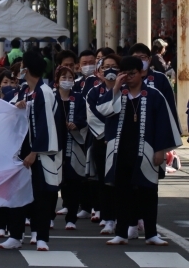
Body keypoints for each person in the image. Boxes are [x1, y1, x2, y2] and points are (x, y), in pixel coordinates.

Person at [98, 57, 182, 246]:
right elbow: (102, 110)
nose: (128, 77)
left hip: (147, 152)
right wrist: (115, 88)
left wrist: (161, 150)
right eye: (124, 74)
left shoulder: (153, 95)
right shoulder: (119, 93)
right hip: (121, 152)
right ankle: (121, 233)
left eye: (132, 73)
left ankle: (151, 233)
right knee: (121, 193)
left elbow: (162, 125)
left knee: (148, 192)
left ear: (142, 73)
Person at [0, 50, 60, 252]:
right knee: (17, 193)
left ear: (29, 68)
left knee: (41, 196)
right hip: (22, 152)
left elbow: (46, 125)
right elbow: (12, 110)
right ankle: (15, 235)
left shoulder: (45, 92)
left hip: (39, 154)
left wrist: (35, 152)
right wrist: (18, 105)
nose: (20, 69)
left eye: (23, 65)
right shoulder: (25, 90)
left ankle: (41, 236)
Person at [85, 54, 121, 233]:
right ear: (99, 71)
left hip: (122, 142)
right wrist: (107, 133)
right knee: (104, 181)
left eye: (114, 66)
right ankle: (107, 218)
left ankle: (127, 218)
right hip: (102, 141)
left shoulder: (127, 90)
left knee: (123, 181)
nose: (110, 70)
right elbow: (92, 115)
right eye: (106, 67)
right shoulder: (93, 92)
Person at [53, 66, 88, 230]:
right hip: (55, 147)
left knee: (74, 183)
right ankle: (49, 216)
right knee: (52, 184)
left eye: (70, 78)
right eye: (63, 78)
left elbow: (86, 118)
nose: (67, 81)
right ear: (57, 81)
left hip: (74, 145)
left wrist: (77, 124)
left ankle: (71, 218)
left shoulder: (79, 99)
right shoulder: (52, 99)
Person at [129, 43, 178, 126]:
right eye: (135, 58)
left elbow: (170, 105)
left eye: (142, 57)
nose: (139, 61)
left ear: (149, 59)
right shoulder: (125, 79)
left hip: (156, 125)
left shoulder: (160, 78)